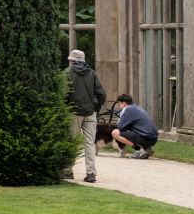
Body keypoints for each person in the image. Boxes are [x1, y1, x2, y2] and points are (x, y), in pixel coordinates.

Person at [65, 48, 106, 183]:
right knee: (89, 143)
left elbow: (63, 93)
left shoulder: (67, 73)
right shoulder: (92, 73)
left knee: (72, 141)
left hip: (73, 112)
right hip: (90, 113)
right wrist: (96, 108)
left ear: (73, 61)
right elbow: (101, 94)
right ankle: (91, 173)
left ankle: (68, 171)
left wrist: (65, 107)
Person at [113, 93, 159, 159]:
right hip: (153, 139)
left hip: (144, 138)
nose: (119, 106)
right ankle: (147, 149)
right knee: (132, 129)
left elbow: (120, 127)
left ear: (124, 103)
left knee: (115, 132)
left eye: (119, 104)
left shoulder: (127, 109)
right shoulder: (137, 107)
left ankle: (138, 149)